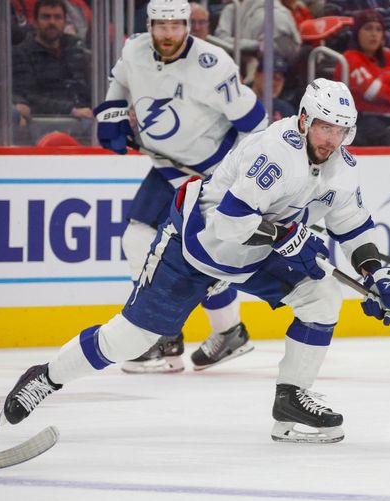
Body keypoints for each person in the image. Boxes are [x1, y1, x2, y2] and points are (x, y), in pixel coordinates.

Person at [0, 78, 390, 445]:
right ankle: (46, 378)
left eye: (340, 130)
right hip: (195, 247)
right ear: (303, 120)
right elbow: (229, 224)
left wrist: (378, 272)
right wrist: (287, 236)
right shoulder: (276, 153)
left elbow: (352, 227)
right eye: (324, 127)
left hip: (256, 254)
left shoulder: (344, 168)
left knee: (322, 296)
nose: (332, 139)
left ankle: (291, 401)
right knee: (132, 339)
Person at [94, 0, 267, 374]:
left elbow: (256, 122)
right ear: (150, 24)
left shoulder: (213, 65)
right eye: (161, 25)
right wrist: (113, 113)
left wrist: (236, 175)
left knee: (197, 255)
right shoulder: (135, 49)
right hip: (166, 166)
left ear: (188, 25)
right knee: (139, 239)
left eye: (176, 25)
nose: (168, 34)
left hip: (209, 173)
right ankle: (178, 334)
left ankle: (184, 334)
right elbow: (121, 79)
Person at [337, 9, 390, 145]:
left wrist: (385, 81)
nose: (374, 34)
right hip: (364, 121)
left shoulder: (389, 55)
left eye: (378, 29)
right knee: (379, 133)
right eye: (368, 29)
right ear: (357, 33)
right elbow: (374, 92)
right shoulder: (349, 59)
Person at [12, 0, 92, 141]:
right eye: (46, 17)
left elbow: (94, 87)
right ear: (35, 21)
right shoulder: (22, 53)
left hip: (85, 122)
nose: (52, 22)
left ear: (65, 21)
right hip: (43, 127)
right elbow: (29, 97)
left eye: (57, 17)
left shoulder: (77, 50)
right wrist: (71, 110)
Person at [250, 53, 295, 121]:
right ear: (256, 75)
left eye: (280, 79)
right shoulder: (241, 101)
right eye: (272, 77)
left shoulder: (285, 110)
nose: (276, 83)